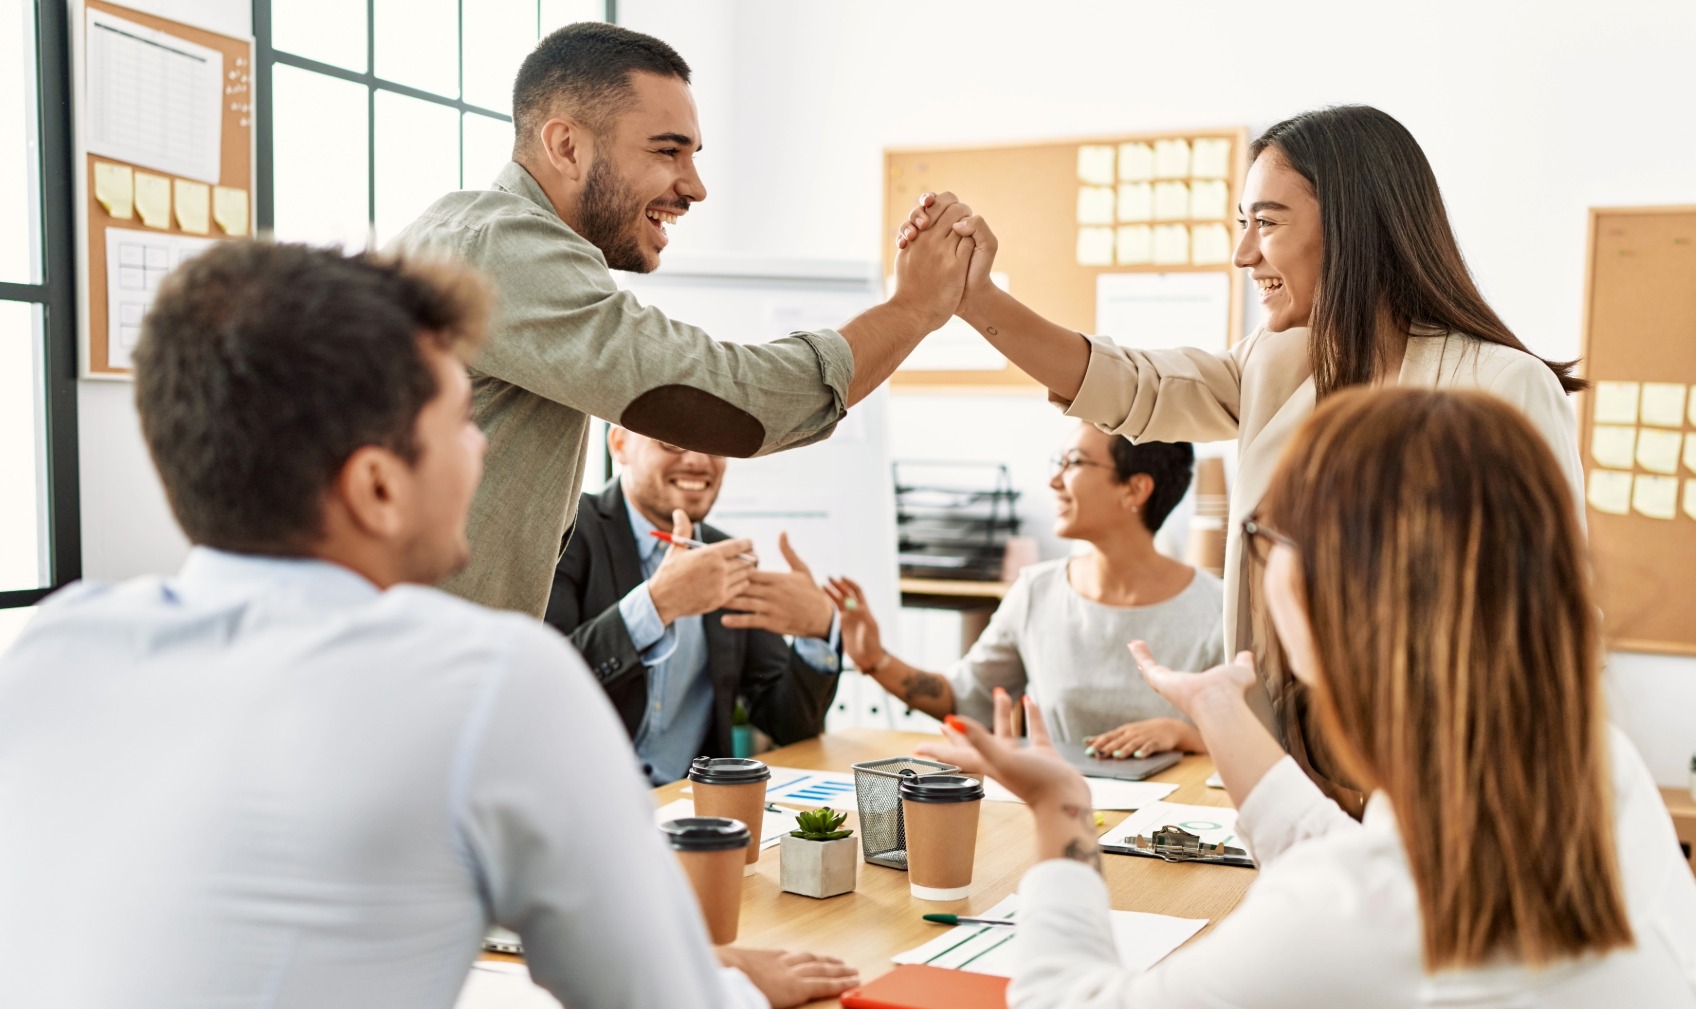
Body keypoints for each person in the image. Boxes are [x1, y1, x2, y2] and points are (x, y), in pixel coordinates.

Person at [0, 241, 858, 1009]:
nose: (484, 451)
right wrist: (737, 994)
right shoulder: (490, 683)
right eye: (462, 422)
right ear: (376, 487)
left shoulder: (52, 652)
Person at [924, 389, 1696, 1009]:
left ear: (1332, 592)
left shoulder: (1381, 917)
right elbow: (1350, 859)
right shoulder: (1576, 762)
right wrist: (1218, 710)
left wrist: (1061, 811)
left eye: (1267, 533)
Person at [898, 104, 1584, 753]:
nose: (1244, 253)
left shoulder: (1503, 387)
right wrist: (976, 300)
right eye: (1241, 223)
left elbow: (1547, 622)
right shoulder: (1275, 363)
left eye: (1267, 223)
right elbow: (1130, 385)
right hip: (1288, 763)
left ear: (1353, 227)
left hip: (1435, 768)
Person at [395, 23, 976, 617]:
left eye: (693, 155)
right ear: (566, 147)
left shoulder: (475, 240)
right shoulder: (501, 249)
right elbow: (729, 402)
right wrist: (912, 308)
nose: (695, 187)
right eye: (666, 151)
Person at [827, 424, 1221, 755]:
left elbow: (1253, 740)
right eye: (1058, 463)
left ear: (1134, 489)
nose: (1054, 480)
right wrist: (876, 659)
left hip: (1176, 813)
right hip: (1061, 801)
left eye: (1074, 463)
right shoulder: (1037, 591)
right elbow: (966, 698)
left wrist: (1182, 734)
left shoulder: (1217, 607)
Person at [547, 426, 841, 784]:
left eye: (716, 444)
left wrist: (816, 633)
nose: (699, 460)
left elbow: (788, 724)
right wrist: (657, 603)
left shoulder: (726, 558)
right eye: (672, 441)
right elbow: (541, 686)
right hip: (581, 797)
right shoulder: (565, 530)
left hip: (689, 806)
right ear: (620, 444)